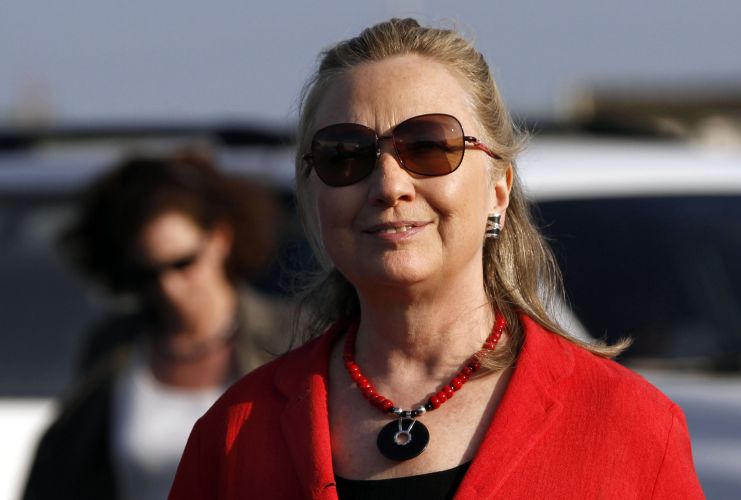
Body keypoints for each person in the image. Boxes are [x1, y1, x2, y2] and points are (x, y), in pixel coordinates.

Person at [168, 19, 704, 499]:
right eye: (345, 155)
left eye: (429, 146)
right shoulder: (235, 432)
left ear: (499, 189)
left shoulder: (632, 426)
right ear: (313, 199)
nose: (389, 185)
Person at [23, 152, 292, 500]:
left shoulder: (291, 336)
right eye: (149, 273)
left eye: (183, 263)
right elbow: (63, 472)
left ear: (220, 238)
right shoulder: (115, 350)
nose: (169, 287)